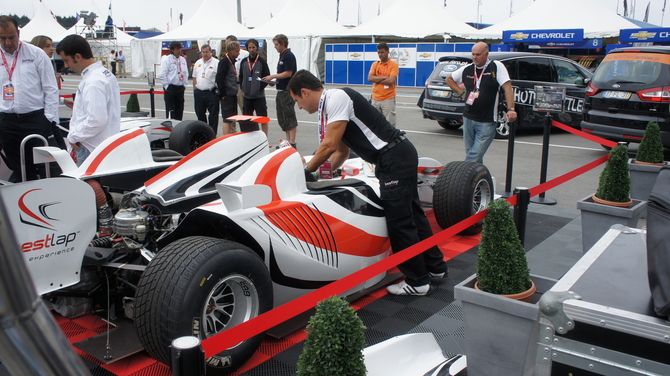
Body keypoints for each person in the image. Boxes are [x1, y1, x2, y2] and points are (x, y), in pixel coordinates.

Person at [288, 70, 449, 296]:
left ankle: (418, 281)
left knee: (400, 222)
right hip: (397, 155)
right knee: (413, 215)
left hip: (393, 157)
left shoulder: (336, 98)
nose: (300, 107)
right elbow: (342, 153)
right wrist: (319, 178)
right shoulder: (334, 104)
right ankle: (435, 268)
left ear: (304, 92)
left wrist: (305, 170)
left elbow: (329, 146)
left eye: (297, 101)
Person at [0, 17, 59, 182]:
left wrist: (49, 118)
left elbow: (50, 87)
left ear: (18, 34)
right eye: (2, 38)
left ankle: (52, 199)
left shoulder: (36, 54)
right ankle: (27, 203)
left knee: (47, 166)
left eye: (11, 37)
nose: (7, 42)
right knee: (20, 168)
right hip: (7, 120)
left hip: (35, 118)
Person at [446, 42, 517, 164]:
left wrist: (511, 109)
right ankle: (478, 180)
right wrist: (461, 93)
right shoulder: (467, 69)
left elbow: (507, 88)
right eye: (473, 54)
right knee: (472, 154)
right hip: (468, 117)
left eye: (478, 54)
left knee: (475, 154)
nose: (474, 57)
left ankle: (461, 174)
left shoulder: (496, 67)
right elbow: (449, 79)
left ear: (486, 54)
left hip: (487, 120)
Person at [56, 34, 120, 166]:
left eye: (66, 60)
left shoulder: (93, 81)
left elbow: (97, 119)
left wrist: (74, 136)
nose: (66, 65)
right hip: (99, 145)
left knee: (85, 185)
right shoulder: (105, 74)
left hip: (89, 146)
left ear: (78, 57)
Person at [30, 35, 69, 151]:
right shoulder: (34, 67)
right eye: (47, 46)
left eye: (52, 46)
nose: (52, 49)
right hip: (46, 120)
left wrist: (63, 101)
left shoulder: (48, 66)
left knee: (61, 152)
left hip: (52, 120)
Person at [263, 34, 298, 149]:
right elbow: (283, 74)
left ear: (283, 44)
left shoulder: (288, 55)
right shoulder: (282, 56)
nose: (275, 47)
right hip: (281, 90)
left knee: (289, 116)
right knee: (283, 117)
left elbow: (288, 73)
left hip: (287, 91)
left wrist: (273, 76)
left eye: (276, 44)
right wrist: (275, 81)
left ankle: (292, 142)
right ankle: (288, 141)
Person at [238, 39, 270, 141]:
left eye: (253, 47)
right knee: (247, 118)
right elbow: (241, 77)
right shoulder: (244, 62)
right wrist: (244, 88)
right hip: (247, 96)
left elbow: (267, 77)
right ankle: (250, 139)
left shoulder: (262, 62)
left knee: (263, 118)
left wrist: (259, 88)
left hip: (259, 96)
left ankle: (264, 139)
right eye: (250, 48)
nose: (252, 50)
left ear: (257, 48)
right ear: (247, 49)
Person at [368, 42, 398, 127]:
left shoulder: (393, 65)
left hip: (388, 98)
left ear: (388, 52)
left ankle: (390, 140)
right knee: (374, 122)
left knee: (389, 123)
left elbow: (391, 81)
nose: (380, 54)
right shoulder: (375, 64)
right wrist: (384, 78)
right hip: (375, 98)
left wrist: (376, 79)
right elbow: (370, 78)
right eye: (379, 52)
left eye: (382, 52)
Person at [192, 44, 219, 134]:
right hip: (199, 92)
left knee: (213, 115)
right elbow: (194, 76)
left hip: (211, 92)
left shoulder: (216, 62)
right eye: (203, 52)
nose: (205, 54)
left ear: (211, 52)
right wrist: (194, 88)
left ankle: (212, 133)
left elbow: (220, 77)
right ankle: (203, 132)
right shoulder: (198, 63)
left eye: (207, 52)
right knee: (200, 113)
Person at [159, 41, 188, 120]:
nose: (179, 50)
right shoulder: (167, 60)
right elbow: (162, 74)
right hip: (171, 88)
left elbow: (185, 73)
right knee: (171, 110)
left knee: (180, 110)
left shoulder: (182, 60)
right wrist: (167, 86)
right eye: (177, 49)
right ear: (172, 50)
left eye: (180, 49)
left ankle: (178, 126)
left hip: (180, 87)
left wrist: (184, 84)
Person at [216, 41, 240, 135]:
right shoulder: (224, 61)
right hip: (227, 94)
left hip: (233, 93)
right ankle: (226, 137)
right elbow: (219, 78)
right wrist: (223, 93)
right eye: (236, 51)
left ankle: (230, 135)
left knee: (232, 117)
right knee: (227, 118)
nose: (238, 53)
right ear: (230, 51)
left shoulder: (232, 62)